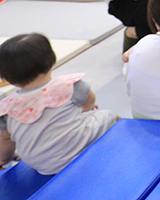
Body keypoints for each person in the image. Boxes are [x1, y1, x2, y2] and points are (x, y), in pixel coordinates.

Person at [0, 33, 119, 175]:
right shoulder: (67, 85)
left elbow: (5, 139)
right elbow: (90, 99)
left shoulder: (6, 107)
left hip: (42, 166)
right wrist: (87, 107)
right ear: (52, 60)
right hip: (78, 148)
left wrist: (4, 159)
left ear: (8, 79)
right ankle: (125, 136)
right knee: (108, 115)